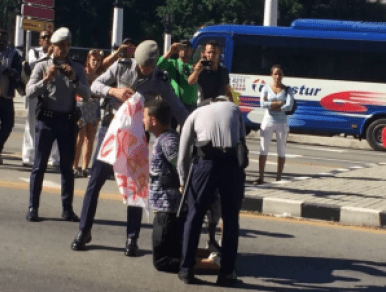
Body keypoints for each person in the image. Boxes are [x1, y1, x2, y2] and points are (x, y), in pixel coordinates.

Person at [70, 40, 189, 255]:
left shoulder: (160, 79)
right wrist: (113, 91)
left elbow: (176, 106)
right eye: (143, 67)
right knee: (95, 181)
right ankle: (84, 231)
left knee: (135, 185)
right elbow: (94, 85)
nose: (146, 71)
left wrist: (193, 127)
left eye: (150, 67)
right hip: (112, 131)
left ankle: (132, 238)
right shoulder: (122, 67)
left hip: (136, 136)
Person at [177, 96, 246, 286]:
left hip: (205, 163)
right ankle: (226, 272)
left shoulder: (195, 114)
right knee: (231, 219)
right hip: (231, 163)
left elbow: (183, 153)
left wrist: (183, 180)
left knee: (195, 215)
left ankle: (186, 270)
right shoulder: (234, 109)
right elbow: (242, 141)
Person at [144, 99, 220, 272]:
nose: (143, 120)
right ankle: (212, 254)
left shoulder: (168, 141)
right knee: (172, 252)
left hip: (169, 210)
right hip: (167, 208)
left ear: (153, 119)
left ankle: (214, 264)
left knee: (163, 261)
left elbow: (181, 165)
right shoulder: (167, 138)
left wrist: (182, 184)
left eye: (144, 116)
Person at [25, 27, 91, 222]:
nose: (64, 49)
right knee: (39, 166)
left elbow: (87, 94)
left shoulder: (77, 68)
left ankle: (67, 208)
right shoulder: (42, 65)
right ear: (52, 46)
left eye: (68, 45)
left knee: (67, 168)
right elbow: (29, 92)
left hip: (67, 121)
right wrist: (46, 80)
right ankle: (33, 207)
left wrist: (74, 80)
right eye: (61, 45)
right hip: (46, 120)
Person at [22, 30, 60, 167]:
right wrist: (47, 55)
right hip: (36, 91)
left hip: (51, 93)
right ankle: (28, 156)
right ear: (39, 40)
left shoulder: (57, 52)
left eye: (50, 37)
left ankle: (54, 157)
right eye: (44, 37)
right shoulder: (34, 52)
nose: (47, 40)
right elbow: (32, 65)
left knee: (54, 123)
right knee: (31, 123)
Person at [254, 65, 294, 185]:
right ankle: (261, 176)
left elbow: (289, 106)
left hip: (282, 122)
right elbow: (262, 104)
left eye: (280, 74)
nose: (277, 76)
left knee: (281, 150)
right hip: (268, 121)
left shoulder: (287, 90)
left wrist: (272, 104)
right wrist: (278, 103)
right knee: (263, 150)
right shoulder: (266, 89)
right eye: (275, 74)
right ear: (271, 75)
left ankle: (279, 177)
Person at [73, 49, 104, 178]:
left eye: (98, 60)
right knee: (80, 137)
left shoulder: (100, 76)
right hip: (81, 106)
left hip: (94, 106)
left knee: (90, 137)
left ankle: (85, 167)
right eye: (93, 60)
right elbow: (75, 88)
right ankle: (74, 166)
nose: (95, 63)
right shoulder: (83, 73)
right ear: (88, 60)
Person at [157, 40, 198, 129]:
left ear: (191, 51)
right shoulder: (173, 63)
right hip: (174, 103)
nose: (184, 50)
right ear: (178, 50)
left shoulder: (195, 65)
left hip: (190, 104)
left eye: (187, 48)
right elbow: (158, 65)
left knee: (188, 133)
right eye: (182, 48)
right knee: (171, 130)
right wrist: (170, 51)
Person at [0, 28, 23, 164]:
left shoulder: (13, 54)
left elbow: (18, 72)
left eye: (4, 36)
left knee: (8, 124)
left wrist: (11, 72)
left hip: (6, 96)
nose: (1, 39)